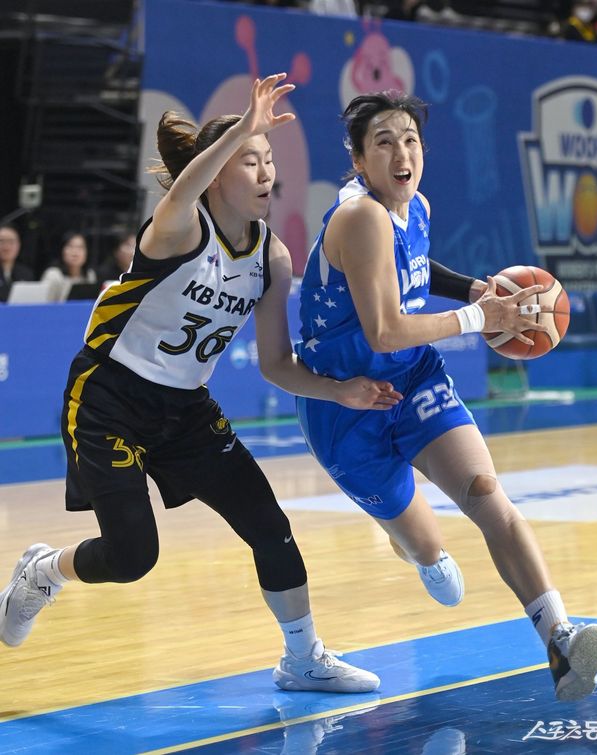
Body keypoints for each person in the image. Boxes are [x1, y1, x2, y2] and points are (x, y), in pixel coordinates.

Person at [0, 74, 403, 694]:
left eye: (269, 160)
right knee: (133, 556)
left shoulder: (272, 257)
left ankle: (302, 660)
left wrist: (339, 390)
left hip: (184, 409)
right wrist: (242, 127)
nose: (266, 173)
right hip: (109, 396)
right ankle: (44, 572)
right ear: (217, 173)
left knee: (268, 523)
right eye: (250, 159)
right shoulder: (180, 228)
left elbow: (276, 364)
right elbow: (186, 188)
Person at [294, 90, 597, 702]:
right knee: (428, 549)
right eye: (384, 142)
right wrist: (477, 317)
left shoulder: (416, 206)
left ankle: (561, 640)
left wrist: (470, 288)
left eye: (410, 140)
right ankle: (419, 550)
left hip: (411, 376)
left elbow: (416, 264)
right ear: (358, 160)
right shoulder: (359, 217)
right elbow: (383, 329)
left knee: (487, 494)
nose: (402, 153)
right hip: (345, 406)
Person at [40, 232, 98, 301]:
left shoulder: (90, 275)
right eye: (70, 246)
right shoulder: (53, 275)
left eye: (80, 247)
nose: (75, 252)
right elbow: (45, 304)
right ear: (62, 250)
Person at [0, 224, 34, 303]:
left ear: (18, 245)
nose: (6, 247)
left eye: (11, 242)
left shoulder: (26, 274)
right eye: (1, 241)